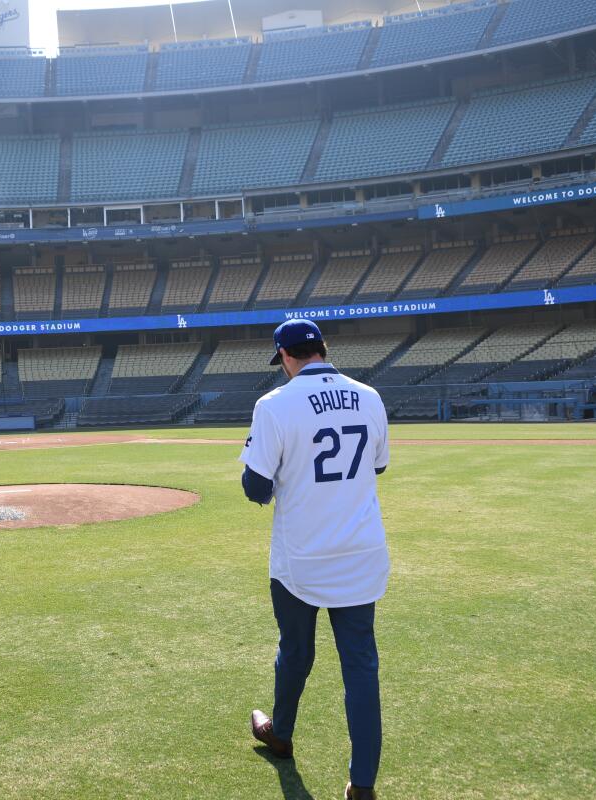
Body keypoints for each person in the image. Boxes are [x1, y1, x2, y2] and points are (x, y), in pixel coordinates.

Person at [240, 318, 390, 800]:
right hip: (362, 552)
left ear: (285, 357)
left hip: (301, 556)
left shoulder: (274, 404)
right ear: (323, 349)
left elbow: (255, 489)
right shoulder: (369, 395)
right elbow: (378, 465)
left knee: (296, 650)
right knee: (361, 667)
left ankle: (280, 735)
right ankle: (362, 784)